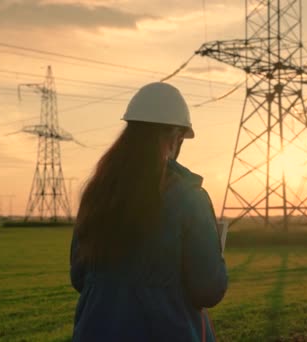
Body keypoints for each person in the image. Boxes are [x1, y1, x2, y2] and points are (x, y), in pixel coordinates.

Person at [70, 82, 227, 341]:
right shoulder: (188, 198)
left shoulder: (97, 194)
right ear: (176, 136)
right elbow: (208, 290)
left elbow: (79, 277)